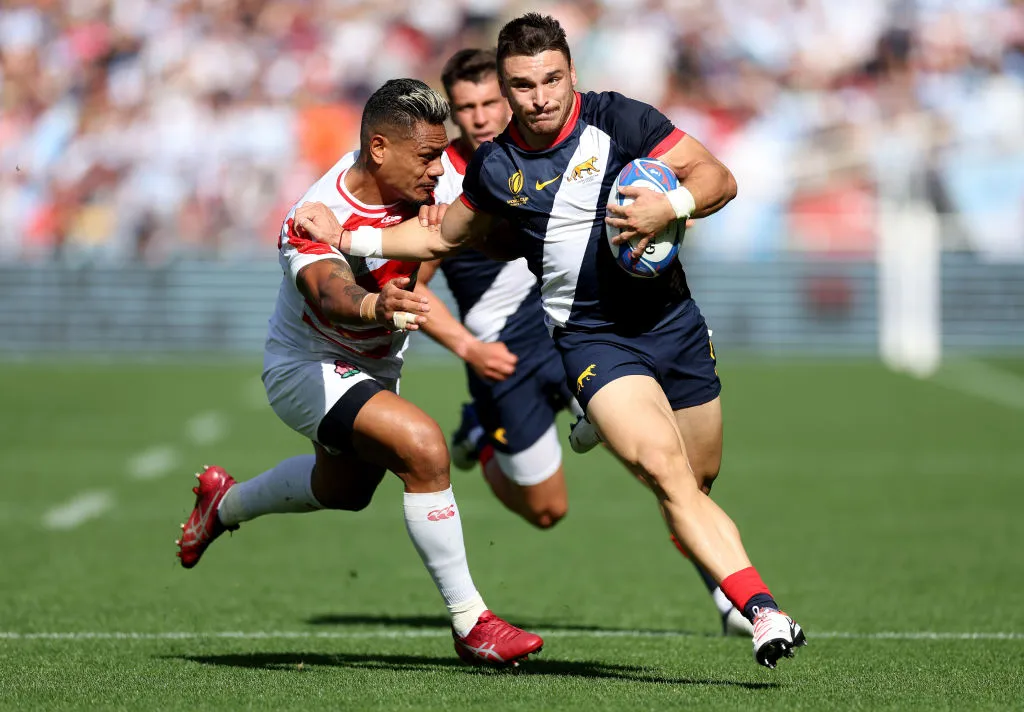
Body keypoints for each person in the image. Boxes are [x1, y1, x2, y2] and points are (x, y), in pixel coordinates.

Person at [295, 16, 807, 669]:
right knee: (664, 471)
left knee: (699, 476)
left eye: (551, 80)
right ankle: (762, 612)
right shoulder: (495, 164)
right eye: (522, 85)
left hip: (673, 324)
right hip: (592, 339)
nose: (539, 96)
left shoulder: (620, 120)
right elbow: (438, 239)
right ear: (506, 88)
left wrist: (668, 205)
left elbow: (718, 178)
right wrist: (347, 236)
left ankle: (703, 549)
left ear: (572, 73)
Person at [174, 78, 543, 668]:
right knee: (423, 447)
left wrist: (480, 224)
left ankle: (224, 506)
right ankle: (472, 622)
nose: (437, 168)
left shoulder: (441, 177)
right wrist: (377, 304)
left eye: (439, 153)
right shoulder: (315, 212)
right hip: (306, 367)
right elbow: (329, 292)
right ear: (378, 149)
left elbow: (499, 241)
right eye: (426, 155)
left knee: (344, 491)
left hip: (373, 364)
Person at [416, 47, 752, 636]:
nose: (480, 117)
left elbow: (652, 198)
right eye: (465, 107)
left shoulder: (573, 143)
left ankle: (730, 599)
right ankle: (482, 438)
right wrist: (468, 348)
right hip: (501, 356)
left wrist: (664, 215)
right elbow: (423, 274)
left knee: (664, 472)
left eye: (490, 102)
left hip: (575, 333)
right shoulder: (444, 178)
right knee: (548, 510)